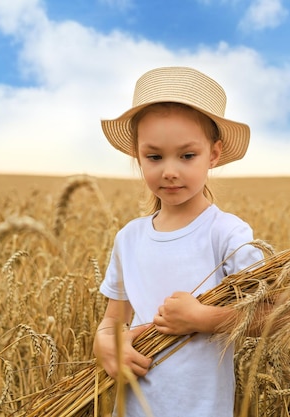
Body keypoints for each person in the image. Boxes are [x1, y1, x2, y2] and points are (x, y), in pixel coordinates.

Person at [93, 66, 263, 417]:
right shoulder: (129, 238)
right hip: (133, 408)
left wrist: (203, 318)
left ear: (213, 154)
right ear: (137, 156)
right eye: (154, 156)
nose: (169, 170)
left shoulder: (227, 234)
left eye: (187, 156)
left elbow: (272, 315)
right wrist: (104, 344)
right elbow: (113, 320)